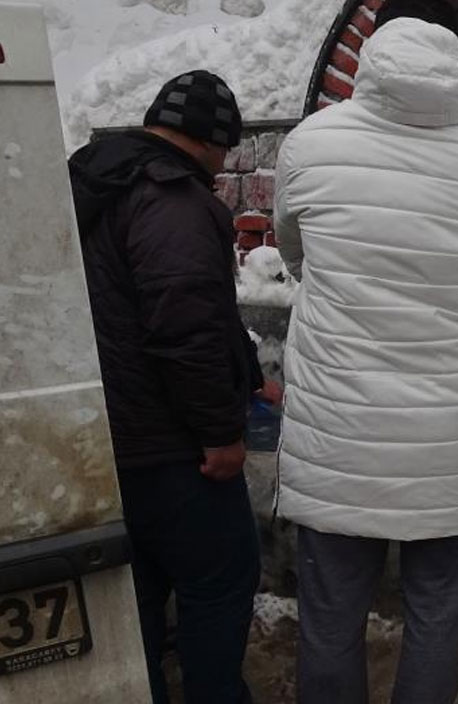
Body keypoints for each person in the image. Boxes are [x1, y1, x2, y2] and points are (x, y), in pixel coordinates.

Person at [272, 14, 458, 704]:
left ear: (366, 69)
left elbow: (295, 255)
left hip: (340, 436)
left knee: (329, 621)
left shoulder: (312, 144)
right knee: (438, 617)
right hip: (447, 439)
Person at [69, 70, 278, 704]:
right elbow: (183, 325)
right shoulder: (174, 201)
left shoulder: (94, 182)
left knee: (138, 593)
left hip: (108, 436)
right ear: (213, 142)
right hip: (173, 445)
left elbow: (173, 309)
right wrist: (220, 434)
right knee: (220, 579)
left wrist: (248, 379)